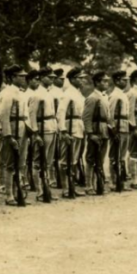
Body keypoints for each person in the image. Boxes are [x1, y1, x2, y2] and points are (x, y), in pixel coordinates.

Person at [0, 65, 28, 205]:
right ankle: (9, 195)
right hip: (12, 130)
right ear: (12, 77)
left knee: (20, 163)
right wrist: (8, 136)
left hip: (21, 130)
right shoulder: (8, 93)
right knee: (10, 164)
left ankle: (17, 192)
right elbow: (3, 116)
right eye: (20, 76)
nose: (23, 78)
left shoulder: (20, 93)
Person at [29, 67, 58, 199]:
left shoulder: (49, 93)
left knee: (48, 161)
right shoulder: (37, 94)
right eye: (48, 77)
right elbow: (32, 114)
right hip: (43, 129)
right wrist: (35, 133)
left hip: (51, 127)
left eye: (52, 77)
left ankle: (46, 188)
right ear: (41, 78)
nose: (51, 79)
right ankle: (40, 191)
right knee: (39, 161)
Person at [57, 67, 87, 195]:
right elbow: (61, 112)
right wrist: (63, 130)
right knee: (65, 160)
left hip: (78, 127)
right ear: (73, 79)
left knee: (74, 159)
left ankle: (72, 186)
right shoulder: (67, 93)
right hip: (70, 128)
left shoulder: (78, 93)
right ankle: (65, 188)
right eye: (80, 78)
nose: (82, 80)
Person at [83, 71, 110, 195]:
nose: (107, 83)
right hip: (95, 130)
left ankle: (99, 183)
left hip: (104, 131)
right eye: (104, 81)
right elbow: (86, 117)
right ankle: (89, 185)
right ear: (97, 82)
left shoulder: (104, 96)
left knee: (100, 159)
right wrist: (90, 134)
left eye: (107, 81)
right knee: (91, 158)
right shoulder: (92, 97)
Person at [107, 70, 130, 191]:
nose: (125, 82)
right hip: (118, 128)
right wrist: (113, 129)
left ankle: (120, 180)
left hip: (125, 127)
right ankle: (113, 181)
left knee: (121, 156)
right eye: (123, 80)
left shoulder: (123, 94)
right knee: (114, 156)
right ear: (116, 81)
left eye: (126, 80)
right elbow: (110, 114)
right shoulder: (115, 95)